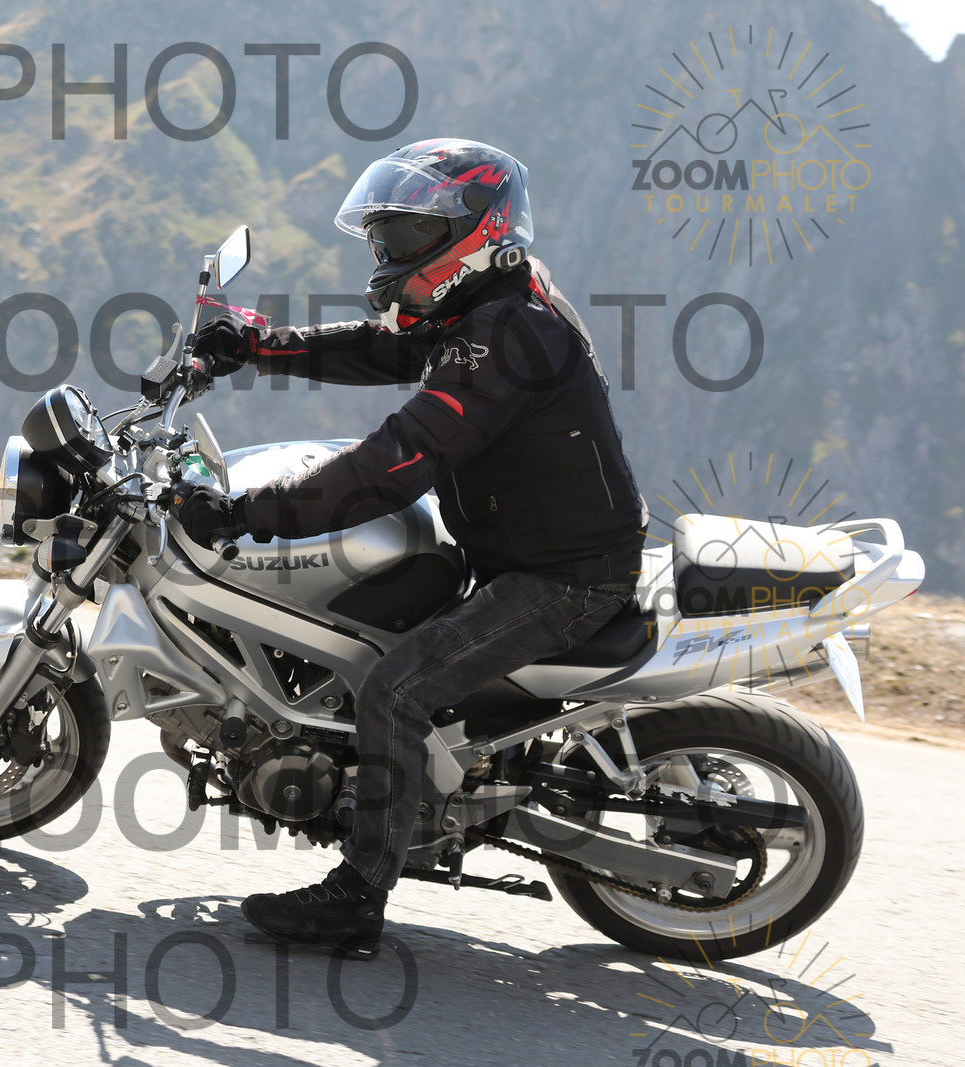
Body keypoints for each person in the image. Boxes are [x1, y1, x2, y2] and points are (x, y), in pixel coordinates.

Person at [176, 138, 648, 959]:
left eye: (402, 236)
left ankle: (357, 897)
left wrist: (248, 512)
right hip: (520, 550)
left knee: (394, 690)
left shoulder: (509, 334)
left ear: (473, 233)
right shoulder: (490, 302)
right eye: (382, 236)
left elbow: (392, 466)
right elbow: (386, 347)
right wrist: (257, 345)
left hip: (564, 579)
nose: (386, 252)